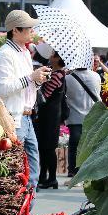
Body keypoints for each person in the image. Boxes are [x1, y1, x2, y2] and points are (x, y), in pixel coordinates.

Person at [0, 10, 50, 192]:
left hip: (26, 118)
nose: (32, 31)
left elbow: (26, 86)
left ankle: (25, 213)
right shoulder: (4, 55)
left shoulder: (23, 53)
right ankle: (18, 213)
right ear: (15, 30)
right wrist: (31, 77)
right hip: (12, 119)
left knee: (33, 171)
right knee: (15, 169)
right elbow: (1, 89)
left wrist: (37, 81)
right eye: (29, 28)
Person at [34, 48, 67, 190]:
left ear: (58, 59)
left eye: (53, 54)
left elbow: (45, 95)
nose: (50, 56)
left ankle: (51, 178)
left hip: (50, 117)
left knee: (48, 148)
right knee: (44, 148)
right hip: (49, 116)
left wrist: (37, 84)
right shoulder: (56, 73)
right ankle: (44, 177)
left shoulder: (57, 75)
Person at [65, 61, 102, 178]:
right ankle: (90, 170)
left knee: (74, 146)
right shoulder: (96, 76)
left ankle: (73, 171)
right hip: (93, 116)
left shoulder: (68, 78)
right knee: (91, 144)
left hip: (75, 117)